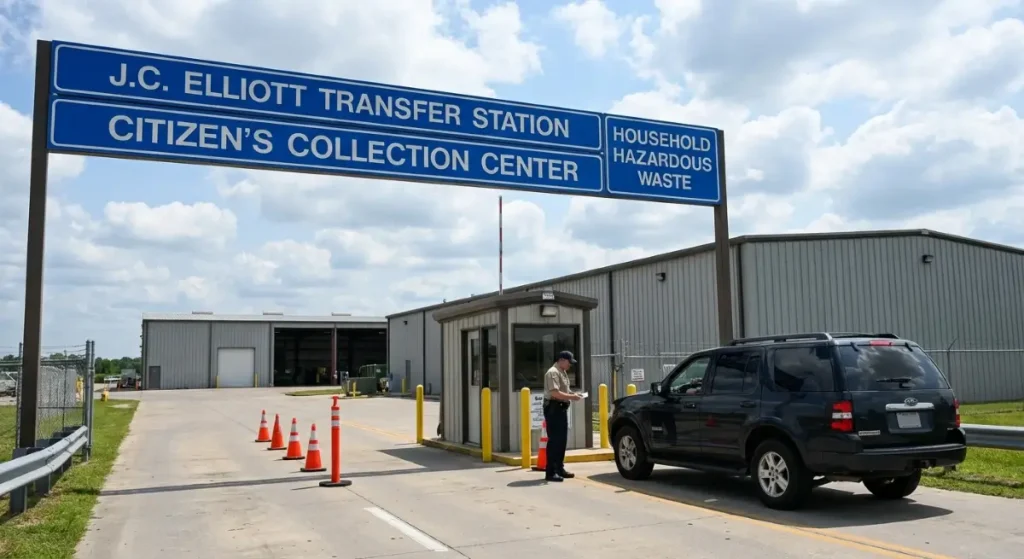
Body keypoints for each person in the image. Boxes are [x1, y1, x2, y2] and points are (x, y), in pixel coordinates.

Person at [543, 350, 583, 482]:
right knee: (555, 440)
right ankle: (551, 472)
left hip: (561, 408)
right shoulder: (553, 372)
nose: (570, 365)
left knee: (561, 440)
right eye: (568, 362)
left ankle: (559, 468)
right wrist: (572, 397)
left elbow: (564, 390)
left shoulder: (562, 372)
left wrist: (574, 394)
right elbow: (555, 393)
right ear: (561, 360)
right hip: (553, 408)